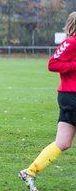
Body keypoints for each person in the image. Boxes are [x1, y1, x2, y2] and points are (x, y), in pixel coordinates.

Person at [19, 11, 76, 191]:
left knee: (63, 142)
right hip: (72, 96)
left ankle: (30, 172)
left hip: (70, 96)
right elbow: (53, 64)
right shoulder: (71, 42)